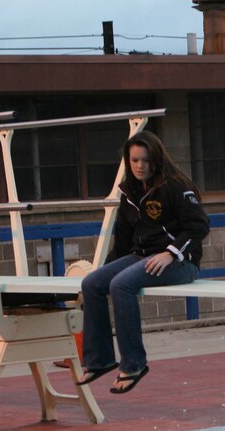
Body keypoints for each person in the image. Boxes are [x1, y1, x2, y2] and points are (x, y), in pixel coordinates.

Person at [77, 130, 209, 394]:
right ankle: (99, 360)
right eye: (134, 160)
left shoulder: (176, 186)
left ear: (156, 159)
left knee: (122, 285)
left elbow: (199, 227)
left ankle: (134, 364)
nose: (139, 166)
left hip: (181, 261)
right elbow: (124, 239)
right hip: (143, 256)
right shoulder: (129, 191)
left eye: (145, 160)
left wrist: (171, 252)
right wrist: (107, 268)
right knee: (92, 283)